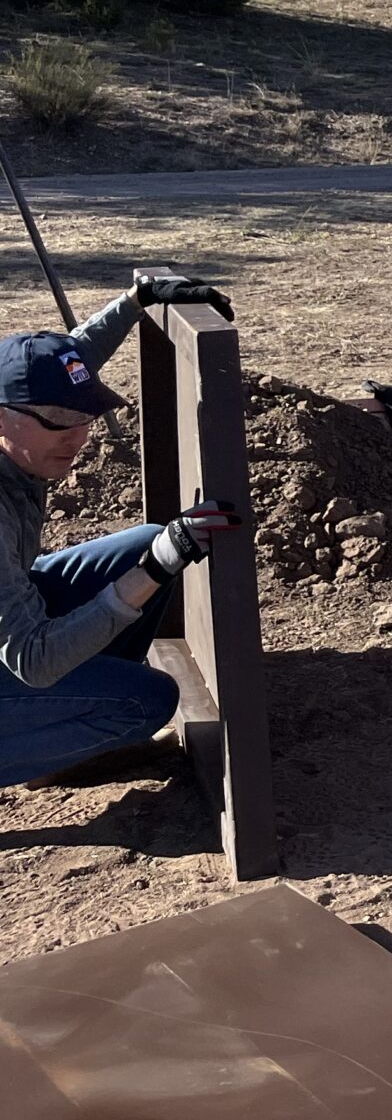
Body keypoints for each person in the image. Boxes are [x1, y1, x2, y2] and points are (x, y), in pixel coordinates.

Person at [1, 277, 245, 788]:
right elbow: (33, 660)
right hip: (21, 654)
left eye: (85, 417)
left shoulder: (21, 428)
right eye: (58, 422)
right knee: (147, 700)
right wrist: (154, 570)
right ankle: (59, 738)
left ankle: (66, 732)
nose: (76, 435)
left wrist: (139, 299)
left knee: (141, 542)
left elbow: (67, 366)